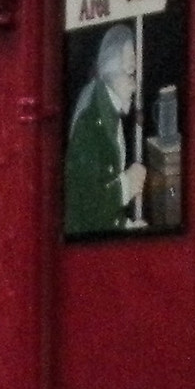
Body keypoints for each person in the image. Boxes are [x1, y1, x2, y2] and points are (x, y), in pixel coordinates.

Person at [64, 23, 146, 236]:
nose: (135, 85)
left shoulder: (108, 112)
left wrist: (127, 226)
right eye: (130, 73)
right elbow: (86, 209)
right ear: (112, 71)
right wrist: (127, 185)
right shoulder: (91, 123)